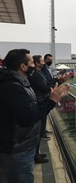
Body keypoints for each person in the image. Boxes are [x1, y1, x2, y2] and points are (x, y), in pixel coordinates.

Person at [0, 49, 70, 183]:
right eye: (32, 62)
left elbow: (32, 107)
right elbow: (28, 118)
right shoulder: (12, 86)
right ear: (23, 66)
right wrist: (52, 100)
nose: (35, 66)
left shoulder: (20, 83)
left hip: (22, 147)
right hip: (15, 152)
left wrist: (51, 98)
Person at [28, 55, 52, 163]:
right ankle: (35, 156)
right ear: (38, 63)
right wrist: (52, 90)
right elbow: (44, 86)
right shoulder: (36, 74)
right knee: (37, 131)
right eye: (42, 60)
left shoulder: (38, 73)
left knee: (39, 130)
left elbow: (46, 83)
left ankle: (36, 154)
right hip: (40, 102)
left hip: (40, 101)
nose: (44, 62)